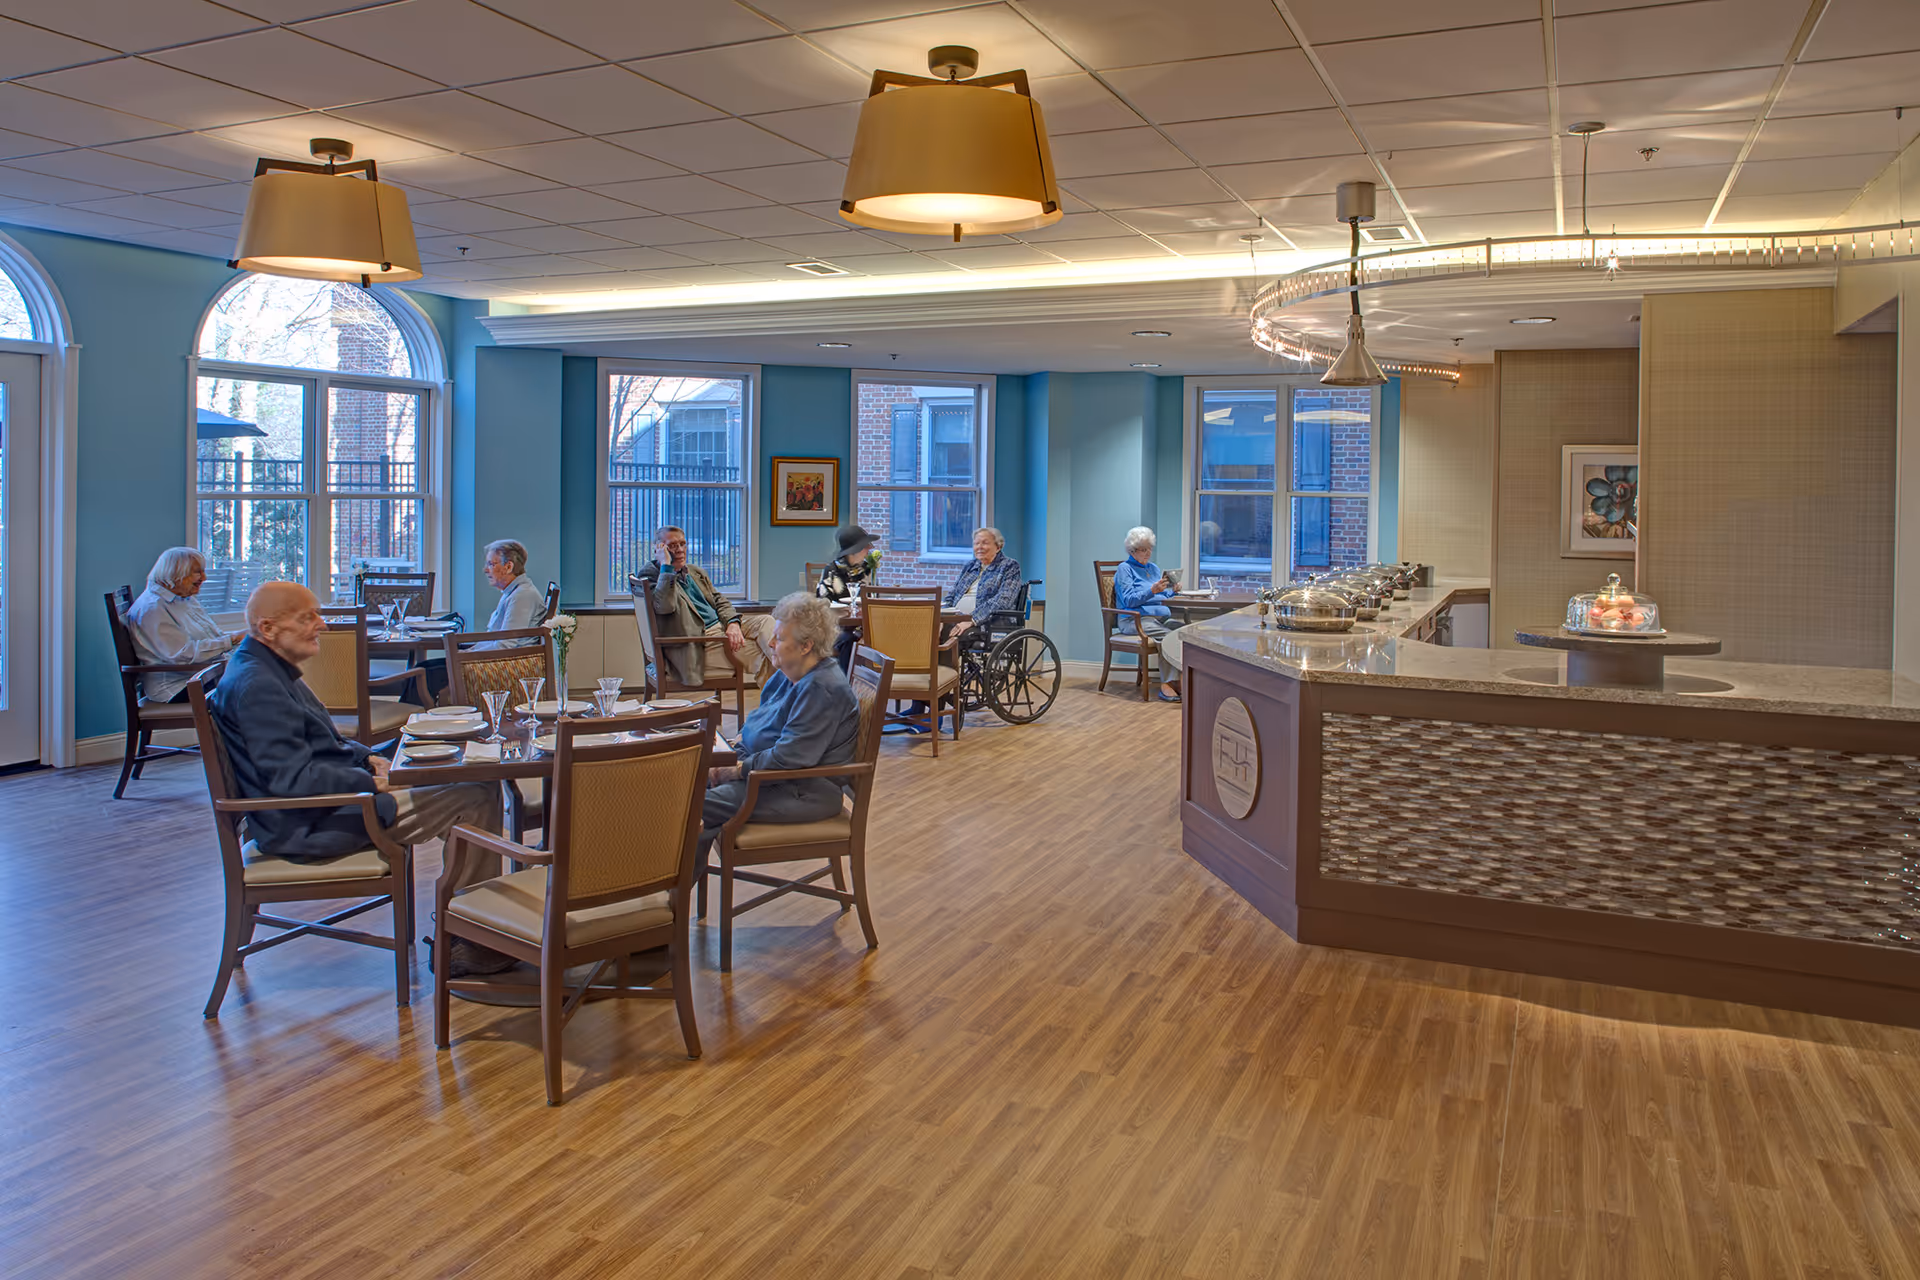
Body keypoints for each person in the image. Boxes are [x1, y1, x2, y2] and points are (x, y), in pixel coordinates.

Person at [207, 581, 513, 977]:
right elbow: (293, 780)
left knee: (467, 783)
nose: (323, 626)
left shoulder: (263, 668)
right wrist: (369, 783)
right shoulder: (258, 686)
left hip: (329, 805)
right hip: (312, 822)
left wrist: (369, 759)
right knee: (476, 794)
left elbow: (323, 740)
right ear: (268, 629)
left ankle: (467, 926)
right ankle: (471, 939)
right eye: (309, 617)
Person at [702, 593, 860, 843]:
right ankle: (672, 877)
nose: (771, 643)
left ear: (806, 645)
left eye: (780, 638)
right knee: (685, 791)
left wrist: (735, 769)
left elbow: (790, 758)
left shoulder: (822, 688)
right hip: (766, 777)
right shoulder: (787, 672)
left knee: (693, 806)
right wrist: (732, 751)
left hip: (801, 791)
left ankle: (661, 876)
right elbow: (757, 724)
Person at [634, 525, 778, 687]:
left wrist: (732, 623)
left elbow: (720, 601)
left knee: (766, 621)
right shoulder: (651, 576)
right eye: (673, 546)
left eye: (683, 544)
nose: (680, 550)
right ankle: (785, 700)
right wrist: (666, 567)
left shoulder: (695, 572)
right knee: (767, 655)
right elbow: (665, 606)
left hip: (721, 627)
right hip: (699, 641)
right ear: (659, 549)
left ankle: (788, 696)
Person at [126, 547, 245, 704]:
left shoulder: (183, 599)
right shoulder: (152, 609)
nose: (204, 577)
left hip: (203, 675)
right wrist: (233, 639)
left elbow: (211, 637)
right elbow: (183, 654)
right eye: (197, 572)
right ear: (175, 572)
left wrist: (241, 637)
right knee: (261, 686)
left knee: (269, 676)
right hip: (180, 686)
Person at [1113, 525, 1186, 703]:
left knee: (1185, 632)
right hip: (1134, 620)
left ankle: (1181, 681)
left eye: (1149, 549)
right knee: (1169, 637)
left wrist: (1172, 591)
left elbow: (1160, 595)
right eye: (1143, 550)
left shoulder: (1153, 568)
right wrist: (1152, 591)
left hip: (1158, 619)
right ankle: (1168, 684)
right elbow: (1129, 600)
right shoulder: (1125, 569)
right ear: (1132, 550)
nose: (1147, 553)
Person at [814, 524, 879, 671]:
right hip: (837, 628)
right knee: (849, 640)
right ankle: (846, 685)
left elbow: (874, 598)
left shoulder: (868, 571)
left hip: (864, 627)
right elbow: (821, 604)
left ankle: (875, 685)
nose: (870, 549)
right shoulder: (831, 571)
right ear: (854, 550)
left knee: (882, 637)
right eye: (865, 546)